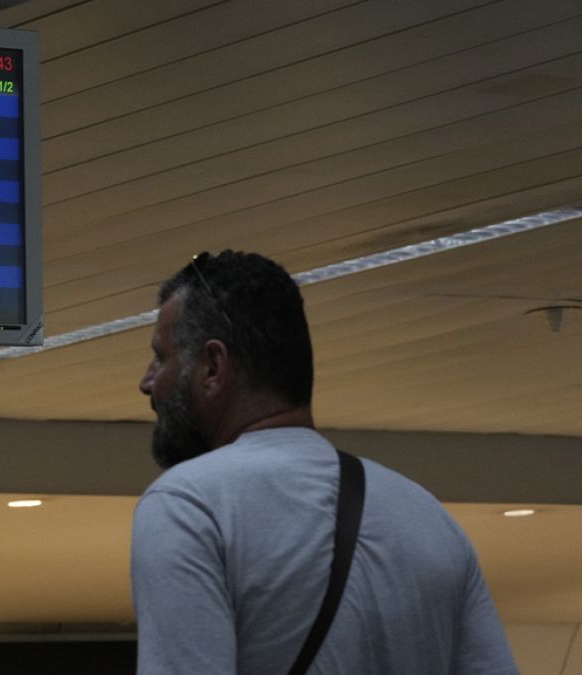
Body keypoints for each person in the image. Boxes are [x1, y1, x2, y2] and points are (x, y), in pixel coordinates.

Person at [132, 251, 517, 674]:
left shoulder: (189, 506)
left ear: (213, 367)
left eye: (161, 356)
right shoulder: (426, 516)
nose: (147, 381)